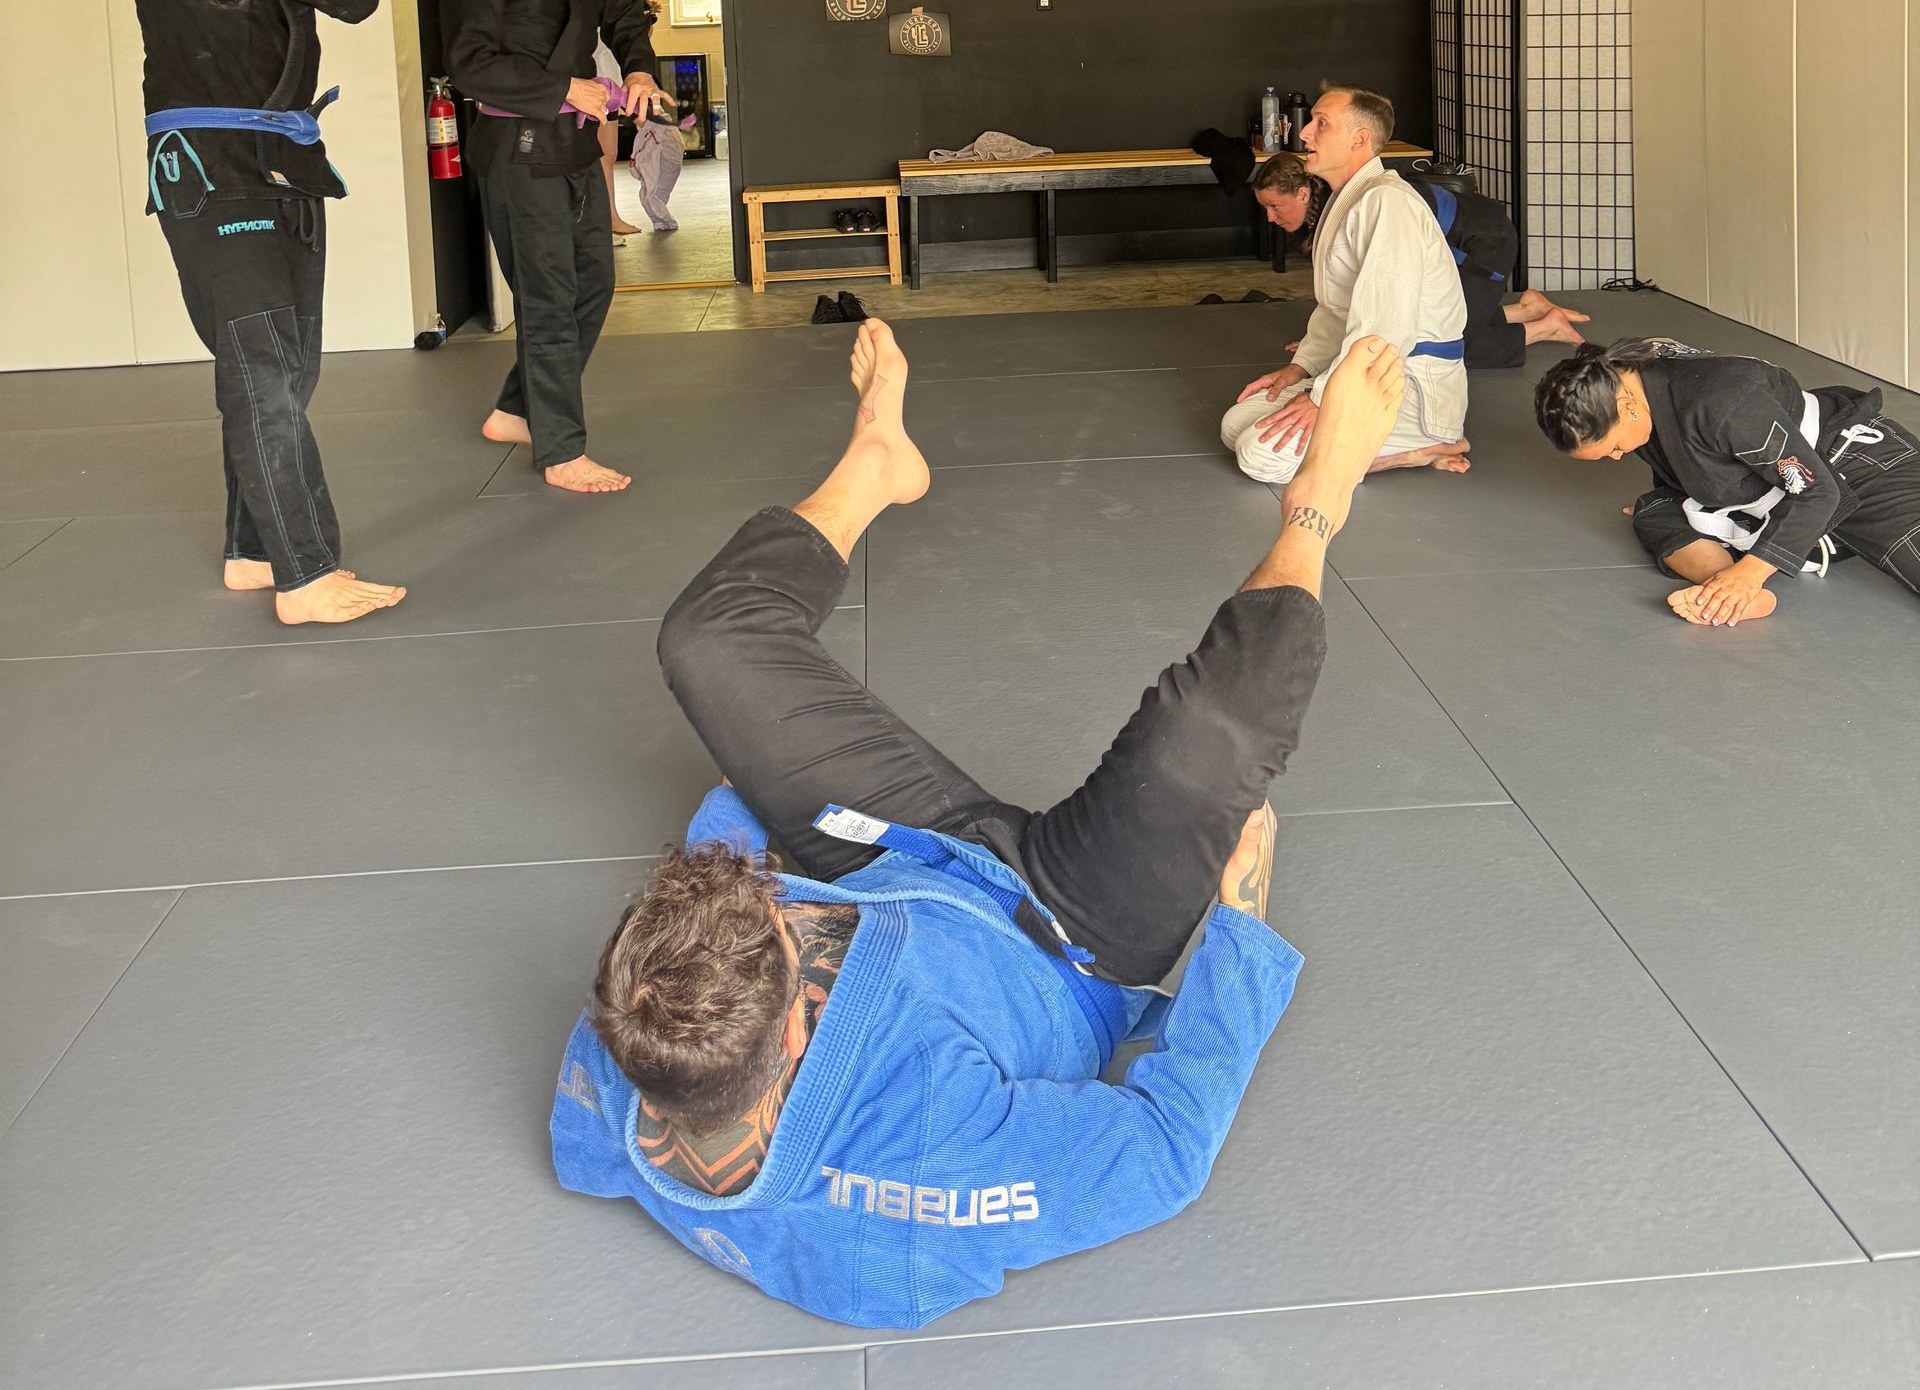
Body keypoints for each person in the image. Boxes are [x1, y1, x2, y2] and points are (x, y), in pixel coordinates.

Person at [552, 318, 1409, 1329]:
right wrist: (1241, 936)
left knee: (706, 641)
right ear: (792, 1024)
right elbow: (1166, 1152)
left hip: (896, 854)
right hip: (1071, 935)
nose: (776, 900)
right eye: (784, 923)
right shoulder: (922, 1187)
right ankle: (1317, 505)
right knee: (1208, 737)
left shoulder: (635, 1047)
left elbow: (596, 1148)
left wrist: (755, 828)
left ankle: (875, 465)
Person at [0, 0, 405, 624]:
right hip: (207, 172)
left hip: (291, 168)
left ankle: (252, 549)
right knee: (262, 362)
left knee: (290, 369)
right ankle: (306, 574)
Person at [439, 0, 672, 494]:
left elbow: (628, 13)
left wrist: (635, 68)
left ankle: (516, 409)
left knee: (592, 284)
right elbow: (470, 64)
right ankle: (561, 450)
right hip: (515, 145)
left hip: (570, 144)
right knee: (546, 296)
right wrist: (567, 86)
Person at [1535, 335, 1920, 626]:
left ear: (1626, 406)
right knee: (1654, 510)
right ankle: (1726, 590)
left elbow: (1817, 491)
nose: (1618, 457)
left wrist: (1751, 572)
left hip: (1855, 464)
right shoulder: (1621, 377)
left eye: (1614, 448)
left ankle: (1741, 583)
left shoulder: (1722, 402)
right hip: (1769, 483)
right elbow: (1678, 448)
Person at [1221, 88, 1470, 485]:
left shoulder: (1389, 203)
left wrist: (1321, 399)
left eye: (1321, 123)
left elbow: (1384, 327)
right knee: (1235, 425)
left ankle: (1415, 449)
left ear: (1359, 139)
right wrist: (1300, 368)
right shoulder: (1352, 199)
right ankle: (1375, 447)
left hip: (1409, 388)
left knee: (1258, 456)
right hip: (1368, 374)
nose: (1304, 134)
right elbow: (1337, 311)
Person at [1251, 151, 1587, 367]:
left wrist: (1334, 345)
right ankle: (1523, 310)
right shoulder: (1333, 205)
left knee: (1444, 347)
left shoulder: (1347, 206)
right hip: (1466, 241)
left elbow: (1373, 289)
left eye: (1275, 206)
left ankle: (1544, 327)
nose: (1269, 217)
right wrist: (1321, 344)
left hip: (1485, 245)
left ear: (1303, 193)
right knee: (1425, 328)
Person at [593, 0, 652, 238]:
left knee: (609, 150)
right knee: (602, 152)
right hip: (597, 81)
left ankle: (609, 216)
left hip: (613, 78)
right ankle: (606, 218)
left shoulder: (616, 0)